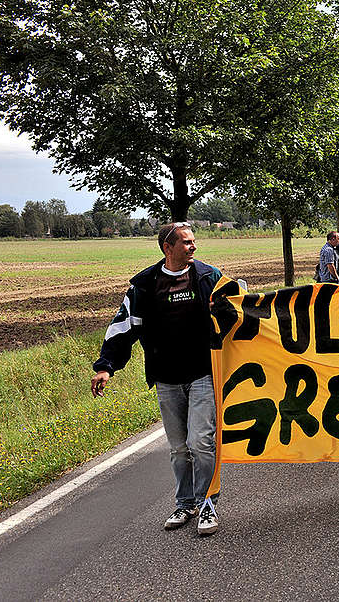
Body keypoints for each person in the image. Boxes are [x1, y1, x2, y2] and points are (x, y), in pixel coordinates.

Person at [90, 222, 223, 535]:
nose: (194, 247)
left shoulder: (209, 278)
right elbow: (123, 328)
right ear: (168, 247)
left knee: (200, 442)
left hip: (204, 374)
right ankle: (185, 503)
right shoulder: (145, 286)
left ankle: (207, 505)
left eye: (194, 242)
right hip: (166, 378)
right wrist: (106, 365)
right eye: (187, 243)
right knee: (178, 448)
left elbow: (240, 311)